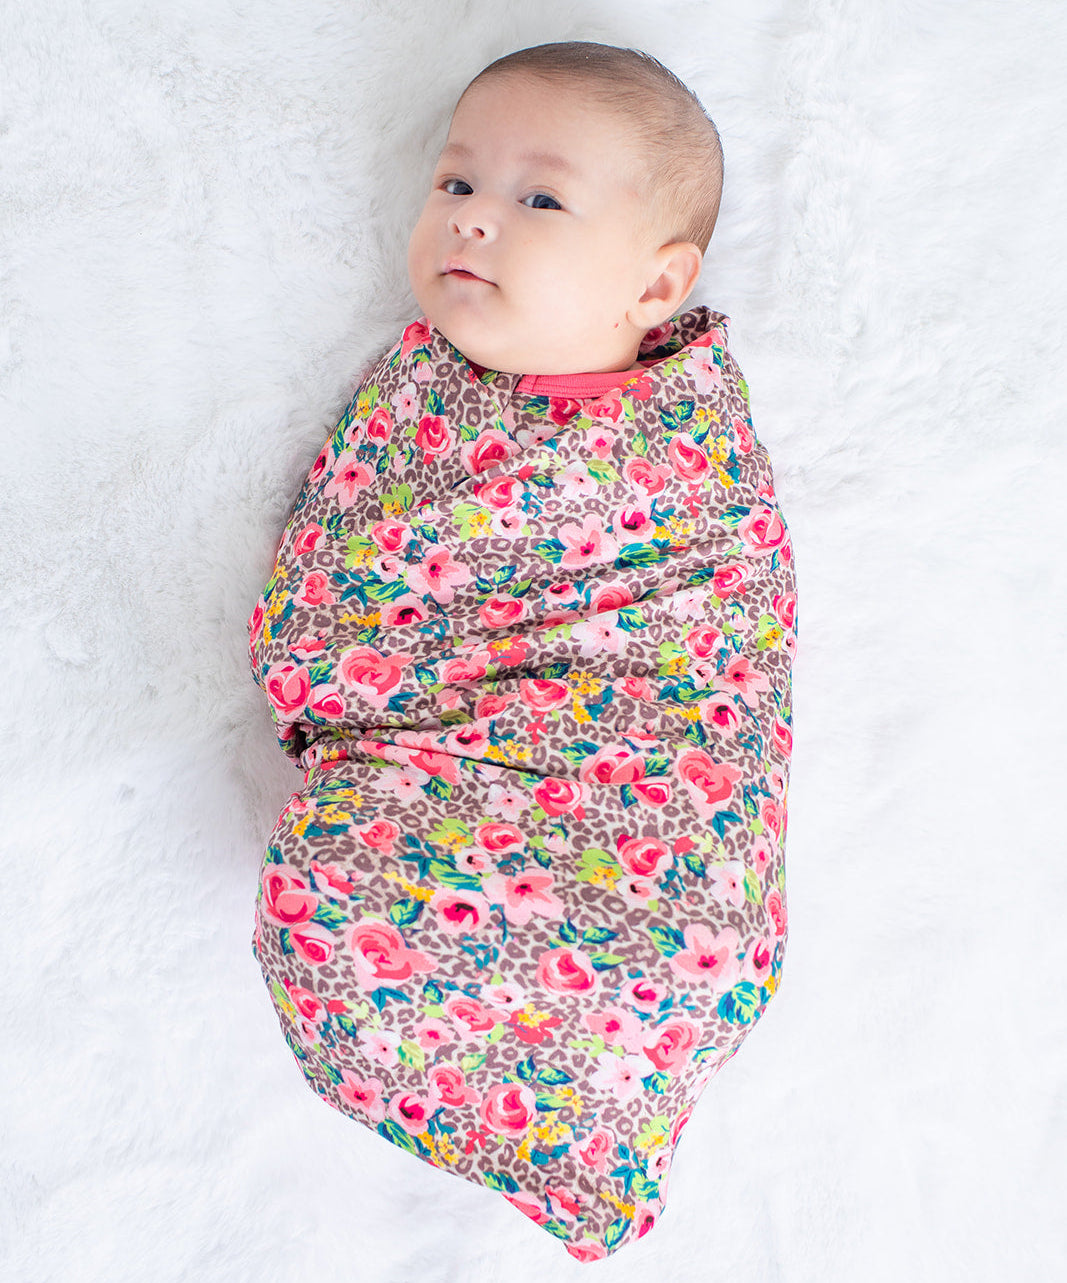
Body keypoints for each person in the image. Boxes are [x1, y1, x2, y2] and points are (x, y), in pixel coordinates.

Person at [248, 41, 796, 1263]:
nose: (476, 221)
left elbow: (706, 633)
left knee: (343, 903)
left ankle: (585, 1137)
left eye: (538, 199)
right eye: (456, 185)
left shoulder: (668, 456)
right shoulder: (438, 378)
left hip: (630, 794)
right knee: (349, 888)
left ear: (654, 290)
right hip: (456, 751)